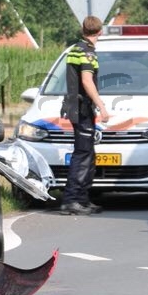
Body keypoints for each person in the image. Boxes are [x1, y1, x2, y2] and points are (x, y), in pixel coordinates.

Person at [60, 15, 111, 216]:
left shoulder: (74, 49)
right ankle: (71, 200)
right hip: (82, 109)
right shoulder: (87, 53)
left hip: (76, 107)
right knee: (82, 154)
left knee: (88, 154)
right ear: (100, 32)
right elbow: (87, 81)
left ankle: (82, 199)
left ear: (83, 30)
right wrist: (102, 106)